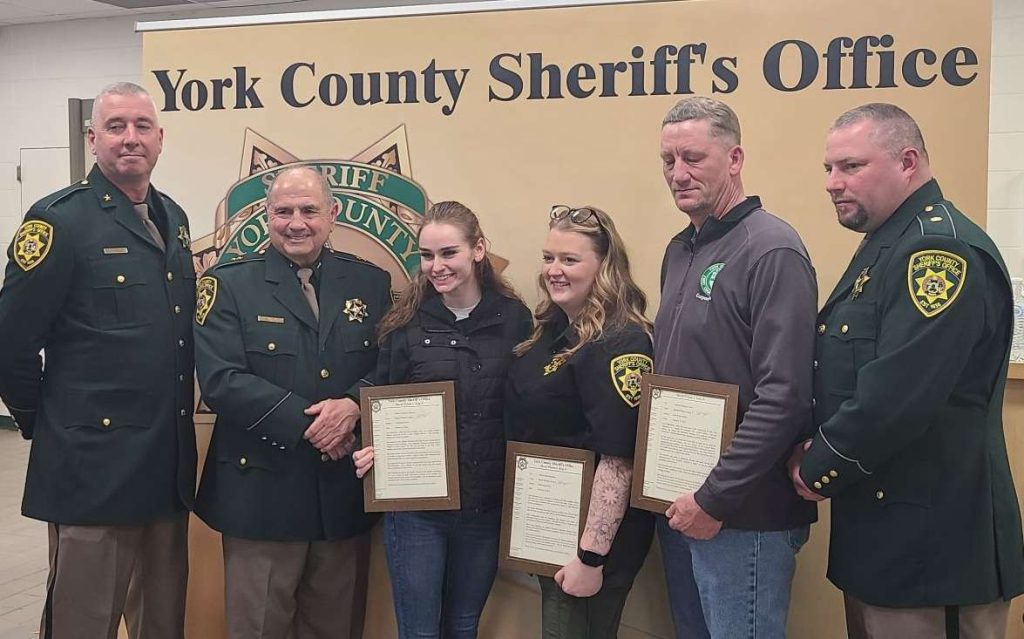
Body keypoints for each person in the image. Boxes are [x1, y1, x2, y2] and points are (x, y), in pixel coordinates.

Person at [788, 103, 1024, 638]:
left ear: (907, 162)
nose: (832, 182)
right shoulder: (889, 242)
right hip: (889, 539)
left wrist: (817, 465)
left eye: (850, 166)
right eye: (829, 168)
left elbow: (896, 395)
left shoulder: (936, 250)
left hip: (933, 550)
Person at [0, 81, 196, 639]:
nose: (130, 138)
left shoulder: (172, 217)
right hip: (91, 473)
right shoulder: (58, 221)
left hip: (164, 468)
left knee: (163, 623)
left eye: (141, 127)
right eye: (115, 127)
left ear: (160, 139)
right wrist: (48, 422)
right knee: (83, 624)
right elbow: (9, 342)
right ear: (92, 139)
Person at [193, 165, 391, 639]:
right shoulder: (228, 284)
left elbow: (391, 364)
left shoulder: (370, 283)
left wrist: (353, 403)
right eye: (283, 211)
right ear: (266, 215)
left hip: (340, 495)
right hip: (261, 494)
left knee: (335, 628)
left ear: (333, 214)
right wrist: (315, 425)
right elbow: (221, 380)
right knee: (259, 628)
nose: (296, 222)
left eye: (309, 210)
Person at [654, 96, 818, 639]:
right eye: (668, 160)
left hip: (740, 517)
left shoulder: (771, 249)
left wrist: (713, 498)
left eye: (694, 158)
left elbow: (784, 397)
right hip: (684, 505)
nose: (679, 174)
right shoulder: (681, 250)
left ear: (735, 158)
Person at [351, 201, 532, 639]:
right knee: (419, 632)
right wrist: (368, 446)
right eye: (426, 255)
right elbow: (382, 401)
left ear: (478, 250)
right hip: (416, 511)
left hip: (484, 505)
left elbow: (527, 406)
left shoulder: (516, 320)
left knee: (463, 626)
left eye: (448, 253)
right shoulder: (404, 325)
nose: (436, 266)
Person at [504, 205, 655, 638]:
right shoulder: (551, 329)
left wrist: (591, 558)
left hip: (591, 544)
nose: (554, 270)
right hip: (548, 526)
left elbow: (619, 458)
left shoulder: (620, 339)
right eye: (549, 257)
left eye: (570, 260)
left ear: (605, 267)